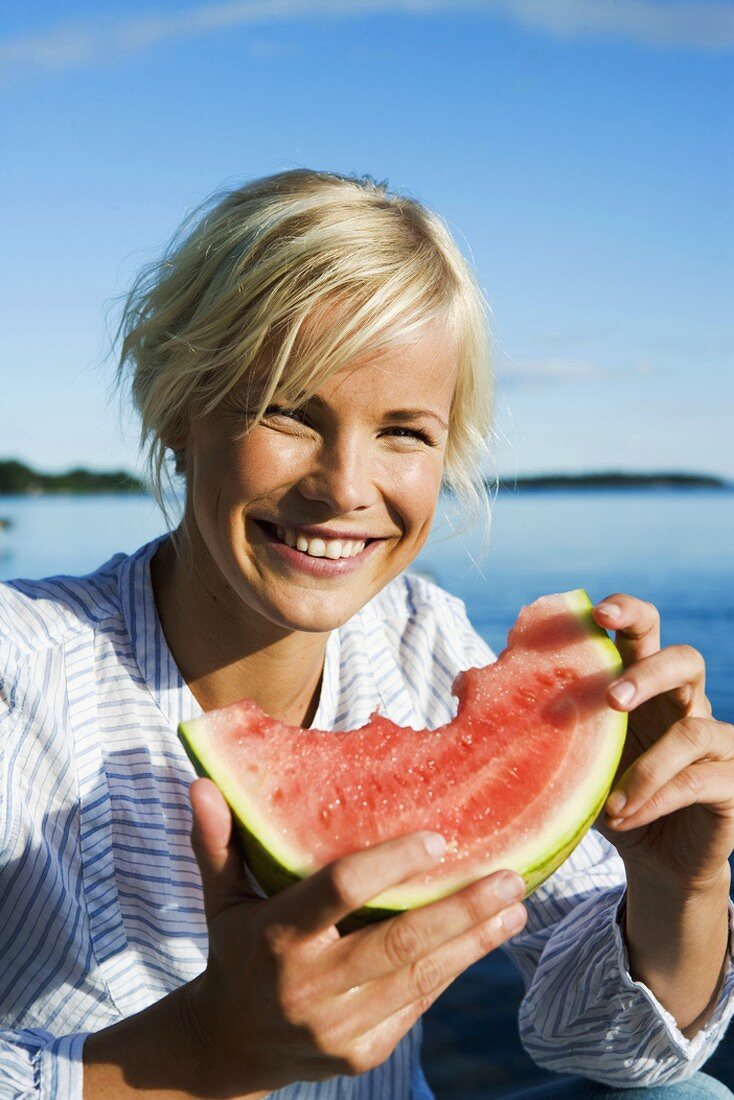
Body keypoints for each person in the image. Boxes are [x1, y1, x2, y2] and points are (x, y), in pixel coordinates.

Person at [1, 169, 733, 1100]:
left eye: (404, 433)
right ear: (176, 411)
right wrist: (201, 1049)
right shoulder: (20, 674)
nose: (345, 486)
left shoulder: (424, 638)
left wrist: (677, 889)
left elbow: (603, 1046)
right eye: (287, 411)